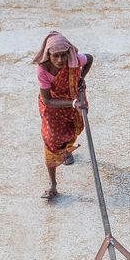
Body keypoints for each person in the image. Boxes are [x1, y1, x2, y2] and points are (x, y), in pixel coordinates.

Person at [32, 31, 93, 199]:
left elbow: (89, 58)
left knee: (71, 132)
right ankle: (53, 185)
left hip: (73, 101)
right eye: (55, 56)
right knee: (51, 140)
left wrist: (80, 78)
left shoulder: (74, 61)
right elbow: (48, 100)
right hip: (52, 108)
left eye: (63, 55)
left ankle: (66, 151)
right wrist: (73, 103)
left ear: (68, 53)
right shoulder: (43, 70)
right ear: (48, 55)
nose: (60, 60)